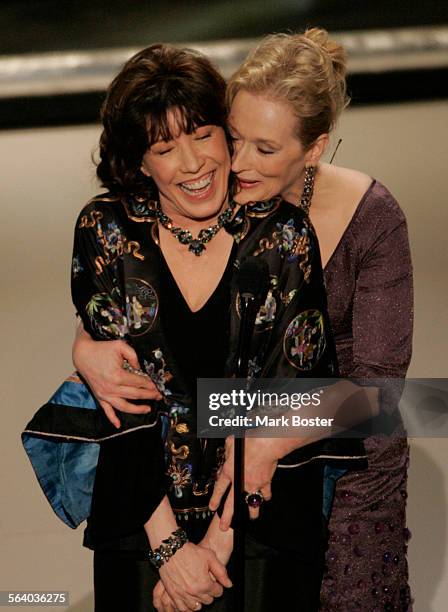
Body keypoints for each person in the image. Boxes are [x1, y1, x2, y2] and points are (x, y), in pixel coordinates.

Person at [74, 29, 413, 610]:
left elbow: (383, 395)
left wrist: (265, 440)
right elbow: (146, 355)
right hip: (178, 477)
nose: (235, 163)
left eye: (265, 148)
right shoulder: (125, 221)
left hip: (335, 460)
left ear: (313, 148)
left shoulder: (347, 225)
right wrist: (85, 348)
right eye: (234, 137)